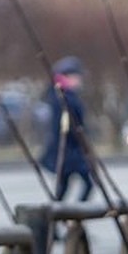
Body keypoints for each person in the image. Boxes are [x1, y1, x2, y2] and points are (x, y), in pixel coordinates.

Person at [40, 56, 94, 202]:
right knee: (87, 183)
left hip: (69, 150)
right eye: (77, 76)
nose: (79, 80)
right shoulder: (63, 97)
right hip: (68, 150)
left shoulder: (65, 95)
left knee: (64, 186)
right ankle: (74, 216)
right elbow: (66, 126)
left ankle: (60, 217)